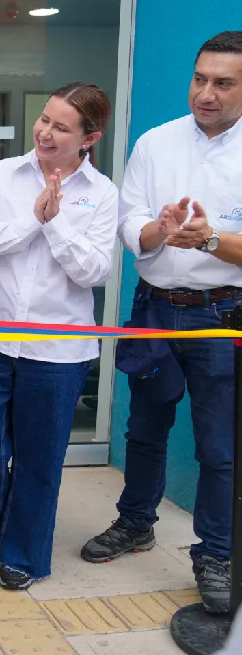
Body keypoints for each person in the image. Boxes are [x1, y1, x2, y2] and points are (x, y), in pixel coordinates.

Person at [83, 31, 242, 613]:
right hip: (155, 306)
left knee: (221, 448)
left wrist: (212, 239)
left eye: (223, 83)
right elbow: (132, 224)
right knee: (144, 429)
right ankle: (135, 523)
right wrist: (160, 229)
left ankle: (219, 554)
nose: (206, 93)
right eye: (200, 78)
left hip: (223, 316)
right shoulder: (156, 142)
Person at [0, 83, 117, 590]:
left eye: (61, 127)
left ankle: (23, 553)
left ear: (90, 138)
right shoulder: (5, 173)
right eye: (44, 119)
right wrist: (31, 219)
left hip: (58, 349)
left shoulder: (102, 193)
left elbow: (95, 272)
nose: (44, 131)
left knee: (39, 457)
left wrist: (57, 224)